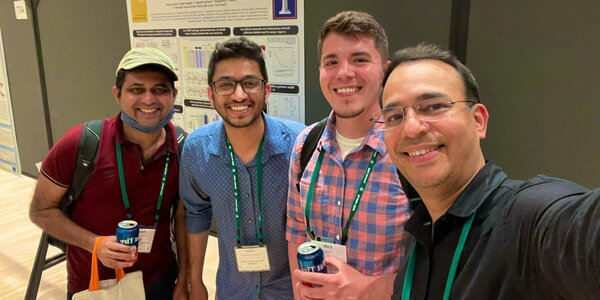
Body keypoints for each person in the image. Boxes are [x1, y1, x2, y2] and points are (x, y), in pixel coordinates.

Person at [379, 43, 600, 299]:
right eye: (394, 116)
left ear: (478, 121)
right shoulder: (418, 242)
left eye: (434, 106)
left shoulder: (524, 219)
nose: (411, 128)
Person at [29, 47, 188, 299]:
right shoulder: (81, 143)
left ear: (173, 94)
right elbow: (40, 210)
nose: (149, 100)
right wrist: (94, 243)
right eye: (136, 89)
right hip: (95, 285)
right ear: (117, 94)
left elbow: (183, 220)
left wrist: (186, 279)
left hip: (160, 281)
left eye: (160, 89)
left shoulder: (182, 148)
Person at [287, 11, 411, 299]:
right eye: (331, 62)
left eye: (359, 59)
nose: (344, 72)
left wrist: (369, 289)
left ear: (385, 71)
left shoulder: (408, 148)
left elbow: (438, 257)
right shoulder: (306, 145)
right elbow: (295, 229)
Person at [180, 37, 305, 300]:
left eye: (250, 83)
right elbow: (196, 213)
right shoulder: (196, 149)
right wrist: (195, 280)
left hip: (290, 291)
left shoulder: (298, 144)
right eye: (226, 85)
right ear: (210, 94)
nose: (239, 95)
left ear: (266, 90)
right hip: (232, 290)